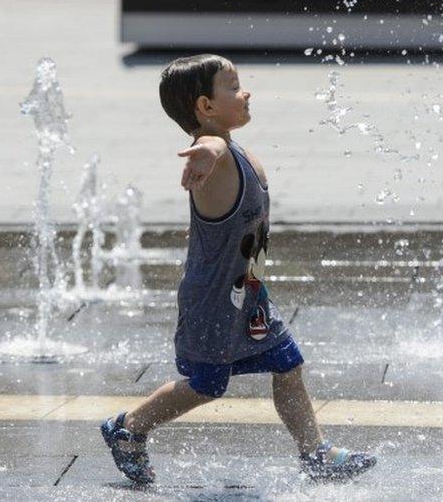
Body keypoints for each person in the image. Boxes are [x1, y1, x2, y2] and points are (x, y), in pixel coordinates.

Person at [101, 54, 376, 484]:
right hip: (213, 300)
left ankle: (315, 453)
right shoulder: (218, 153)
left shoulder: (236, 151)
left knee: (287, 363)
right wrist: (206, 152)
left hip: (246, 294)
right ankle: (129, 428)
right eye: (233, 86)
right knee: (208, 383)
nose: (244, 92)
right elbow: (210, 146)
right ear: (206, 108)